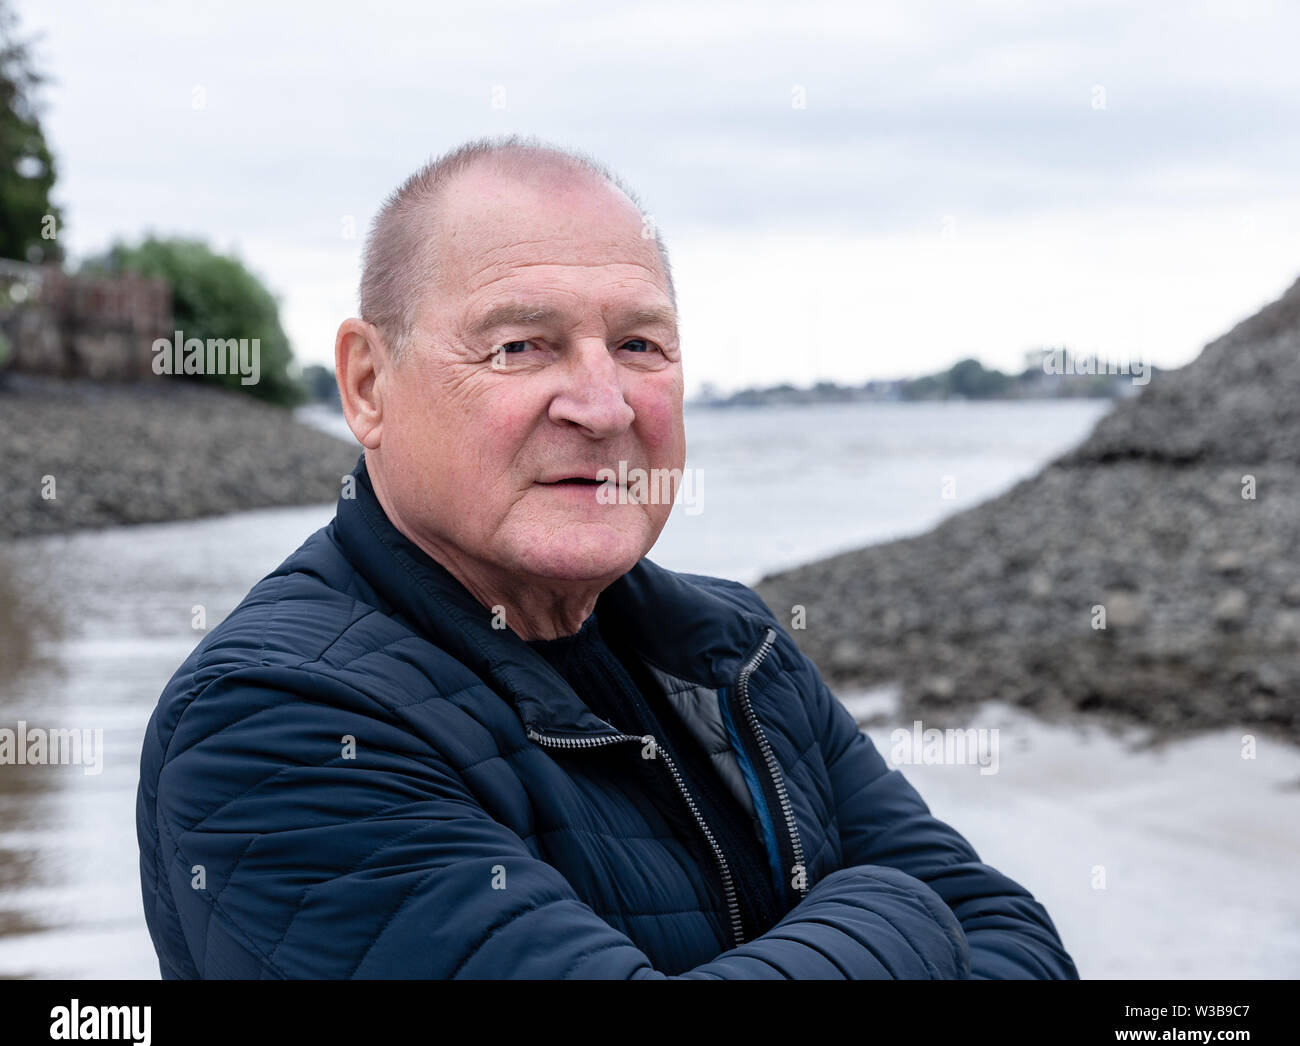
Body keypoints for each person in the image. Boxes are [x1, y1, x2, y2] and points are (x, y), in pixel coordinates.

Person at [136, 134, 1078, 979]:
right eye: (519, 345)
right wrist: (897, 909)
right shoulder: (274, 722)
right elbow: (951, 913)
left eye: (638, 343)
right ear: (369, 384)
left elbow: (1021, 944)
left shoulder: (735, 649)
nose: (603, 404)